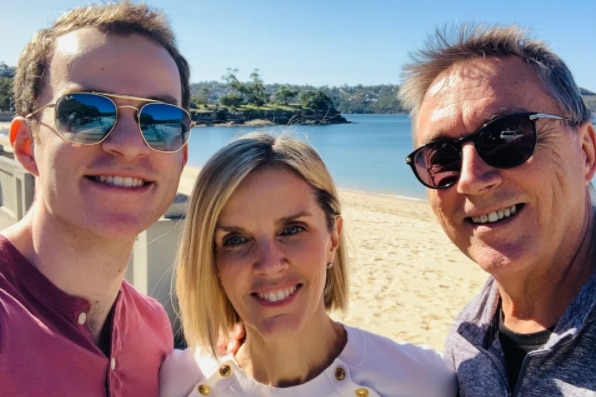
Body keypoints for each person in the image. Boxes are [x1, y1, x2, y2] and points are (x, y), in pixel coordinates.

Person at [159, 132, 456, 396]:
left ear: (333, 240)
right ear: (211, 261)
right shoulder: (176, 381)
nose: (270, 264)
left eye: (292, 230)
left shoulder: (424, 381)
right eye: (236, 239)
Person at [0, 2, 191, 396]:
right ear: (25, 144)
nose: (129, 147)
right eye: (87, 113)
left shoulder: (153, 328)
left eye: (161, 121)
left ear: (182, 156)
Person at [399, 24, 596, 395]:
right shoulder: (467, 341)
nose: (470, 179)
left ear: (585, 152)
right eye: (441, 158)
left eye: (508, 136)